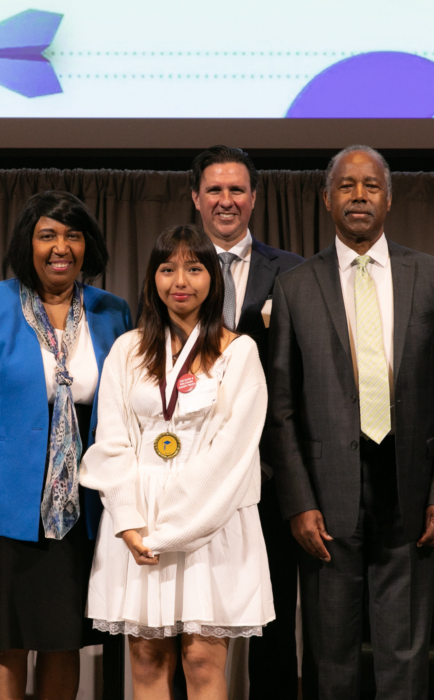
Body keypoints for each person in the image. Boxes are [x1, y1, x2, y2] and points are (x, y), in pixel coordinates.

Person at [267, 146, 434, 700]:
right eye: (347, 186)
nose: (359, 196)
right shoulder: (295, 286)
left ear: (389, 199)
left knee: (404, 658)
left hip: (411, 496)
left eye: (371, 185)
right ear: (326, 199)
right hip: (324, 502)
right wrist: (298, 502)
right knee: (330, 661)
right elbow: (281, 408)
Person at [0, 190, 133, 700]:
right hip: (5, 516)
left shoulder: (113, 312)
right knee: (2, 645)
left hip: (81, 512)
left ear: (88, 246)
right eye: (47, 235)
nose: (60, 247)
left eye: (73, 236)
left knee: (61, 643)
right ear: (27, 244)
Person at [81, 224, 275, 700]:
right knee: (147, 662)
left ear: (213, 278)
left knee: (202, 662)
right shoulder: (128, 350)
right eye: (168, 269)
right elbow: (111, 441)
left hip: (210, 519)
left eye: (194, 268)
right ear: (153, 278)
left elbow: (232, 454)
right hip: (138, 524)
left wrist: (173, 530)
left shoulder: (239, 351)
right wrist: (129, 522)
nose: (180, 281)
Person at [189, 145, 303, 700]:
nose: (226, 200)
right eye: (214, 189)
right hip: (191, 478)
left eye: (237, 189)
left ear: (254, 198)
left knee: (273, 625)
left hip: (272, 477)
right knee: (189, 626)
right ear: (196, 198)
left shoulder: (296, 273)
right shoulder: (176, 269)